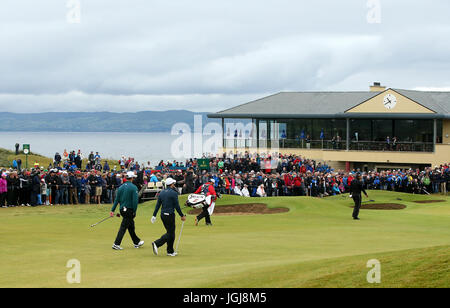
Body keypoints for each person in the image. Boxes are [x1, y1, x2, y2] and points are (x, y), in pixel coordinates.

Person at [151, 178, 186, 257]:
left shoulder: (162, 192)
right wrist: (182, 215)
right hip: (169, 215)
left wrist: (154, 215)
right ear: (172, 184)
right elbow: (177, 206)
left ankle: (170, 251)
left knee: (171, 233)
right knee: (170, 233)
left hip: (163, 215)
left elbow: (158, 205)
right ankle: (156, 243)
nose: (174, 185)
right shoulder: (174, 193)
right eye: (173, 183)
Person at [110, 171, 144, 250]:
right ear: (132, 178)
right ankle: (116, 243)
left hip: (122, 209)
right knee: (124, 227)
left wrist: (112, 210)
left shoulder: (121, 187)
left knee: (131, 226)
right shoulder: (133, 187)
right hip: (129, 210)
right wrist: (134, 211)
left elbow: (116, 200)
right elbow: (135, 201)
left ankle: (136, 242)